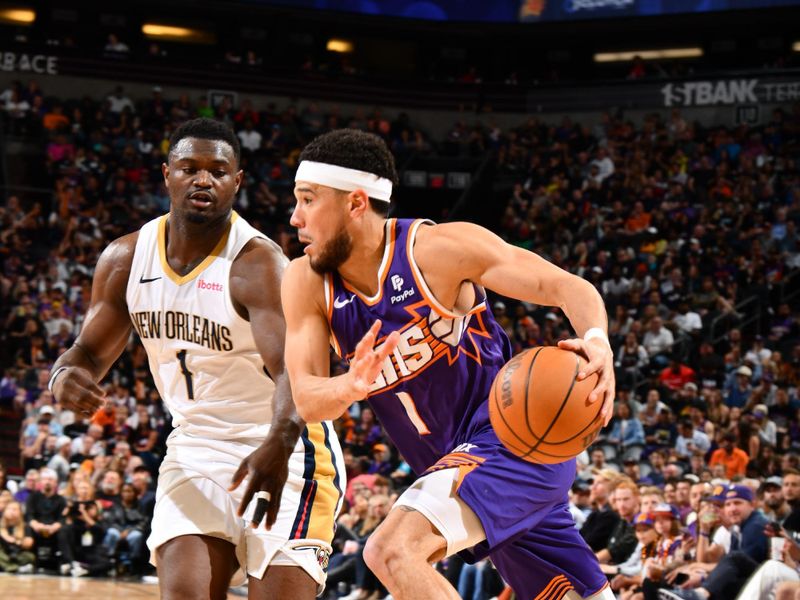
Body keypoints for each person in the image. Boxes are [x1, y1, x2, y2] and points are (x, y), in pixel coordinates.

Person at [282, 129, 616, 599]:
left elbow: (570, 289)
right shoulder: (306, 280)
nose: (295, 217)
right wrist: (351, 387)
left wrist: (598, 343)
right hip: (460, 467)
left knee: (391, 552)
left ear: (356, 203)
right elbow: (308, 399)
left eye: (308, 199)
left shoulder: (436, 251)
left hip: (514, 440)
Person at [48, 118, 344, 599]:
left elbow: (296, 368)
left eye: (218, 171)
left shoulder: (258, 265)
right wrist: (64, 373)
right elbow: (87, 352)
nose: (203, 180)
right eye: (190, 168)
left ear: (237, 181)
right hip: (195, 446)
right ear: (167, 174)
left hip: (283, 443)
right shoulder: (125, 259)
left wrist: (281, 439)